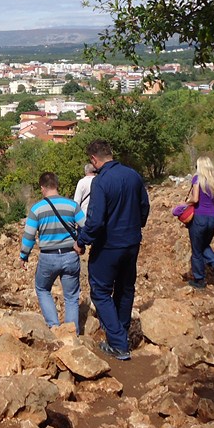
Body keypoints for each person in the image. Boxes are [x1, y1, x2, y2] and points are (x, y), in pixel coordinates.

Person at [73, 139, 150, 361]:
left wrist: (81, 241)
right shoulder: (133, 175)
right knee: (126, 288)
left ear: (94, 160)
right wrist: (137, 224)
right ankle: (121, 332)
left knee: (100, 291)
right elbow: (144, 206)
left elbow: (96, 221)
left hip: (109, 245)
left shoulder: (101, 182)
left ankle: (118, 343)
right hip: (132, 242)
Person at [19, 171, 84, 333]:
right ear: (57, 185)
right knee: (71, 297)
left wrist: (23, 256)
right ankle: (71, 334)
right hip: (71, 255)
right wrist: (81, 244)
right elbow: (86, 226)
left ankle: (54, 327)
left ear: (42, 188)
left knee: (42, 289)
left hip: (48, 257)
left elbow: (29, 236)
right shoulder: (72, 205)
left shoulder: (37, 209)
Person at [185, 156, 214, 289]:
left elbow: (195, 199)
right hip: (212, 218)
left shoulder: (197, 179)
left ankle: (199, 280)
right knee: (204, 244)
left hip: (199, 218)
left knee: (197, 249)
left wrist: (184, 204)